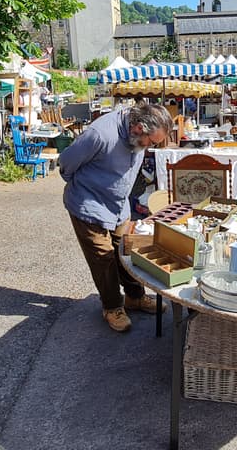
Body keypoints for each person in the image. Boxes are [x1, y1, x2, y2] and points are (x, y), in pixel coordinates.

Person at [60, 103, 172, 332]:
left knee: (125, 251)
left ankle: (135, 297)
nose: (149, 147)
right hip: (88, 204)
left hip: (118, 206)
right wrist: (82, 187)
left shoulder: (136, 138)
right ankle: (112, 307)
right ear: (139, 127)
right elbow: (66, 162)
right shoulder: (100, 134)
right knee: (103, 258)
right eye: (151, 142)